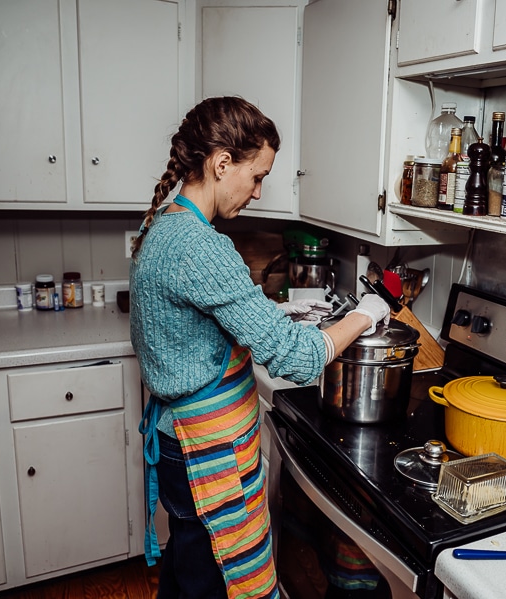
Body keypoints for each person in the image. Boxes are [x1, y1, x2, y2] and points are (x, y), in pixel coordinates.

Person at [129, 96, 390, 599]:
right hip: (206, 451)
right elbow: (298, 357)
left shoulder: (161, 226)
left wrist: (270, 314)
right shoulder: (200, 245)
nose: (258, 192)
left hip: (176, 441)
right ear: (222, 162)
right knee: (215, 584)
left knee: (187, 574)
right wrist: (367, 314)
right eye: (257, 176)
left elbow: (199, 322)